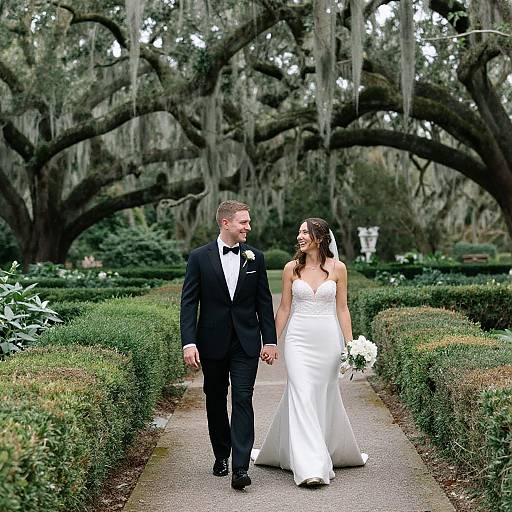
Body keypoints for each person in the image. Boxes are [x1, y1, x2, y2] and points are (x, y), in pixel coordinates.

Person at [252, 217, 367, 486]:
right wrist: (270, 342)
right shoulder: (291, 268)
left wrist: (350, 345)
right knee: (302, 393)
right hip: (298, 341)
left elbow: (342, 308)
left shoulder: (338, 268)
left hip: (328, 341)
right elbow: (284, 309)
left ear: (320, 237)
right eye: (299, 232)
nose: (299, 237)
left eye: (305, 232)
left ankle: (317, 449)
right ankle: (310, 467)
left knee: (322, 395)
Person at [180, 200, 278, 490]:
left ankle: (240, 468)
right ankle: (221, 455)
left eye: (248, 222)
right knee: (215, 397)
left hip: (246, 341)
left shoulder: (255, 258)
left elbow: (263, 302)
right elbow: (189, 303)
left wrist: (270, 340)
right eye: (243, 222)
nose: (248, 226)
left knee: (243, 398)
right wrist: (189, 342)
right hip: (211, 341)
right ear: (226, 223)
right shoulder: (199, 257)